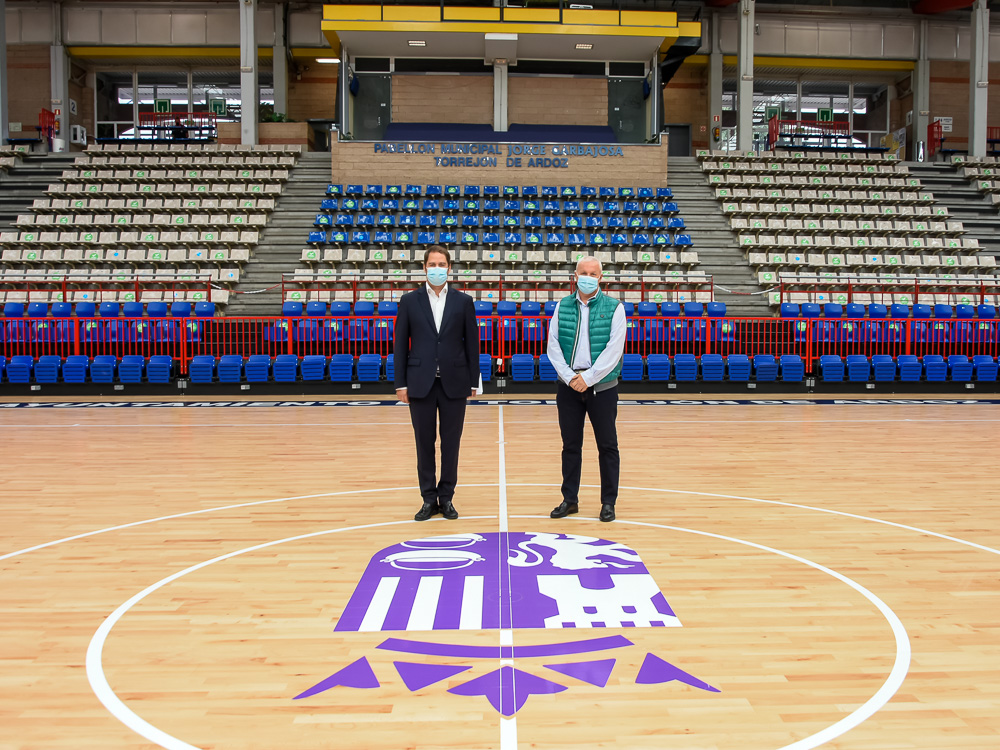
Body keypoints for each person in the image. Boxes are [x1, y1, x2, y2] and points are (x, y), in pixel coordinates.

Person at [394, 246, 481, 521]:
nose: (437, 268)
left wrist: (474, 381)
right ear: (424, 268)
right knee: (424, 443)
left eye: (441, 264)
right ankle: (428, 499)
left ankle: (447, 497)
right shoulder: (409, 301)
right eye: (432, 264)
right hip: (420, 382)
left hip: (454, 382)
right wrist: (400, 383)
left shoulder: (463, 301)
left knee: (451, 443)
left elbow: (473, 344)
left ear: (449, 268)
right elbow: (400, 344)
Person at [545, 256, 627, 522]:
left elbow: (614, 350)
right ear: (575, 275)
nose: (588, 277)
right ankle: (570, 500)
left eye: (593, 273)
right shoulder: (562, 306)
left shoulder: (615, 308)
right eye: (584, 272)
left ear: (601, 277)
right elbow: (553, 346)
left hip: (602, 387)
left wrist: (588, 378)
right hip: (568, 386)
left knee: (608, 445)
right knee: (570, 446)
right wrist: (571, 378)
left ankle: (608, 502)